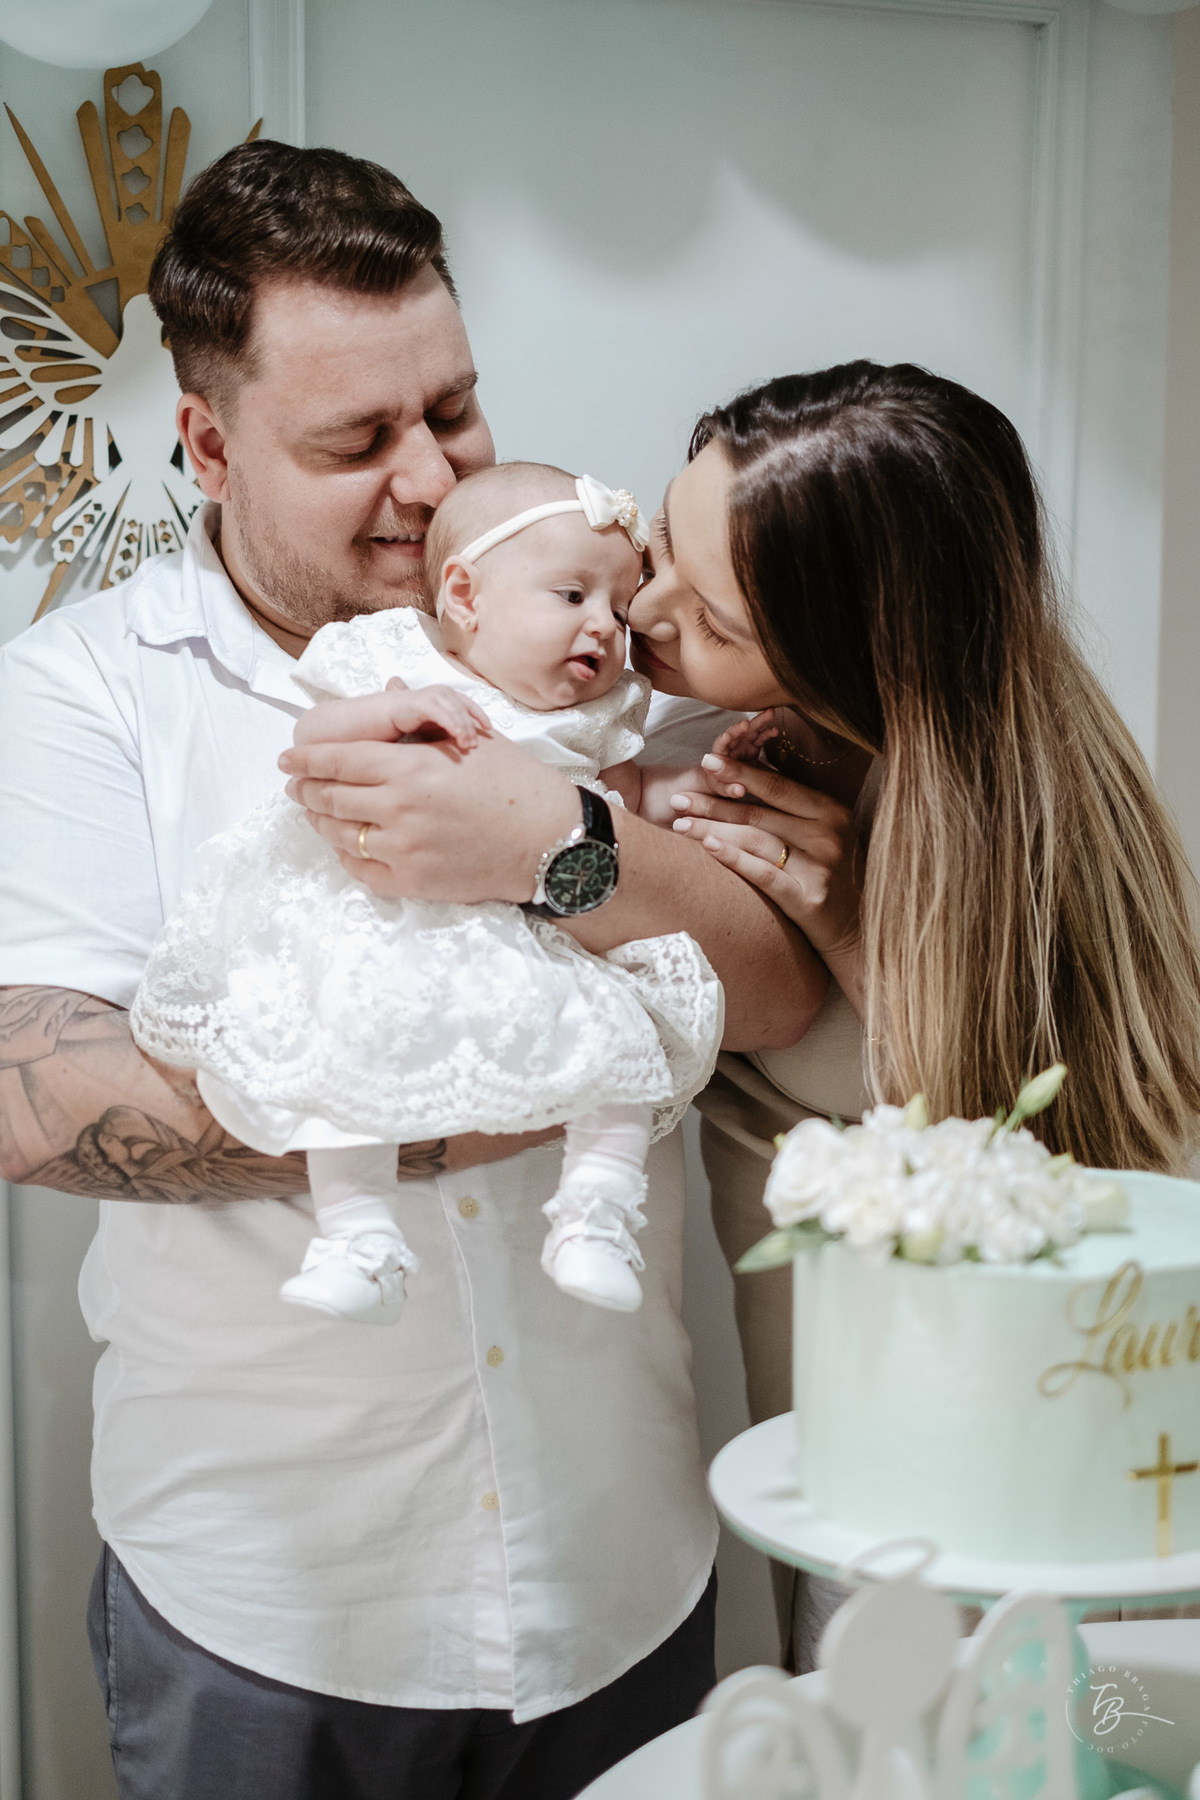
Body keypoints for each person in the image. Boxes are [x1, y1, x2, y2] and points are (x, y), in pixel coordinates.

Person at [0, 145, 828, 1800]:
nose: (431, 471)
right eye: (354, 440)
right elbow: (33, 1093)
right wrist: (475, 1090)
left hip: (619, 1570)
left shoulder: (604, 648)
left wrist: (552, 844)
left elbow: (784, 993)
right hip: (271, 1604)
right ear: (212, 445)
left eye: (450, 407)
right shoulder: (82, 691)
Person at [287, 362, 1200, 1673]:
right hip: (812, 1440)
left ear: (845, 656)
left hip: (1003, 1469)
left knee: (1017, 1729)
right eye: (657, 545)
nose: (639, 612)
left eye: (703, 611)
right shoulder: (693, 719)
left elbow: (1035, 1164)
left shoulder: (999, 828)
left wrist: (830, 929)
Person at [132, 461, 723, 1324]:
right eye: (570, 595)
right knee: (338, 1056)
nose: (604, 626)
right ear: (465, 595)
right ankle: (357, 1234)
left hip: (534, 942)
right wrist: (396, 717)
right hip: (385, 928)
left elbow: (627, 802)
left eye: (618, 607)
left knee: (624, 1044)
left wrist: (705, 788)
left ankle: (596, 1210)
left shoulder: (597, 718)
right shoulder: (395, 660)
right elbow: (312, 743)